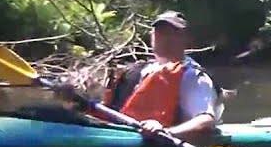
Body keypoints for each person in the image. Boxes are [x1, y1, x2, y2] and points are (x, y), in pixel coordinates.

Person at [56, 11, 222, 138]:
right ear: (151, 37)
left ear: (186, 39)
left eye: (172, 33)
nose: (164, 38)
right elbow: (112, 114)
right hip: (126, 136)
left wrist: (165, 132)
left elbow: (205, 122)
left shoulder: (193, 77)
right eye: (159, 32)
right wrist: (78, 101)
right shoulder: (137, 71)